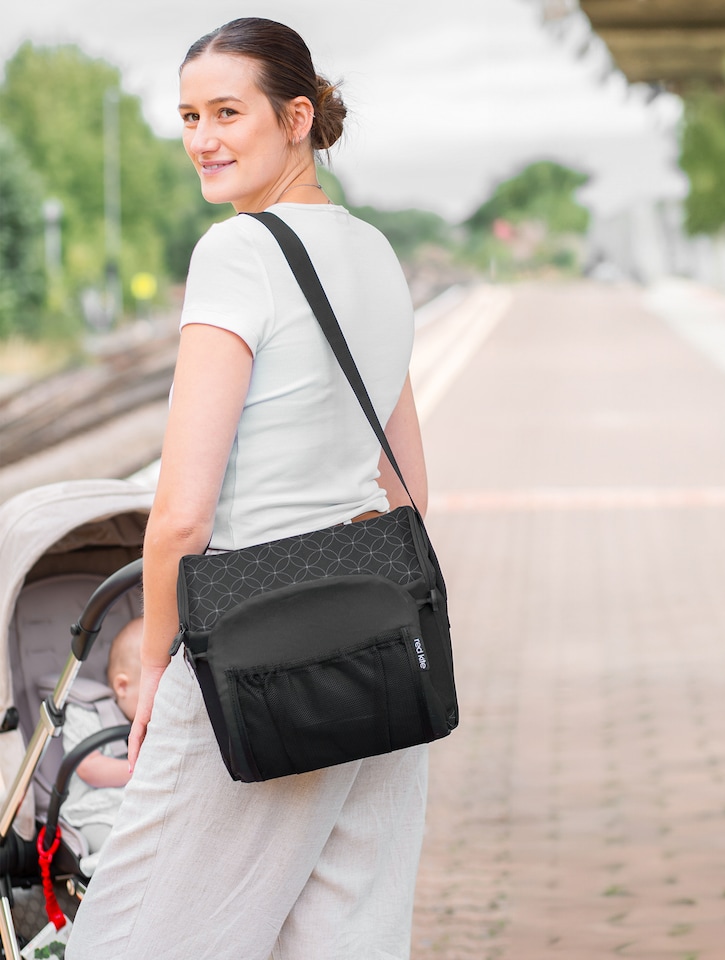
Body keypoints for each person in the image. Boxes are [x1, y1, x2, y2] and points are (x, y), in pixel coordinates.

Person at [68, 17, 429, 960]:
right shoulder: (376, 253)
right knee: (344, 935)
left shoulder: (237, 253)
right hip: (377, 633)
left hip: (247, 646)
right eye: (189, 115)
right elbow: (407, 483)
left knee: (131, 934)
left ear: (297, 118)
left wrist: (153, 669)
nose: (203, 139)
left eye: (229, 112)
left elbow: (182, 511)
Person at [60, 618, 141, 869]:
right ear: (122, 686)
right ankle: (105, 863)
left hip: (139, 808)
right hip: (96, 809)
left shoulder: (160, 721)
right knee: (110, 835)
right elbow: (88, 767)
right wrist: (141, 770)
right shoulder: (86, 711)